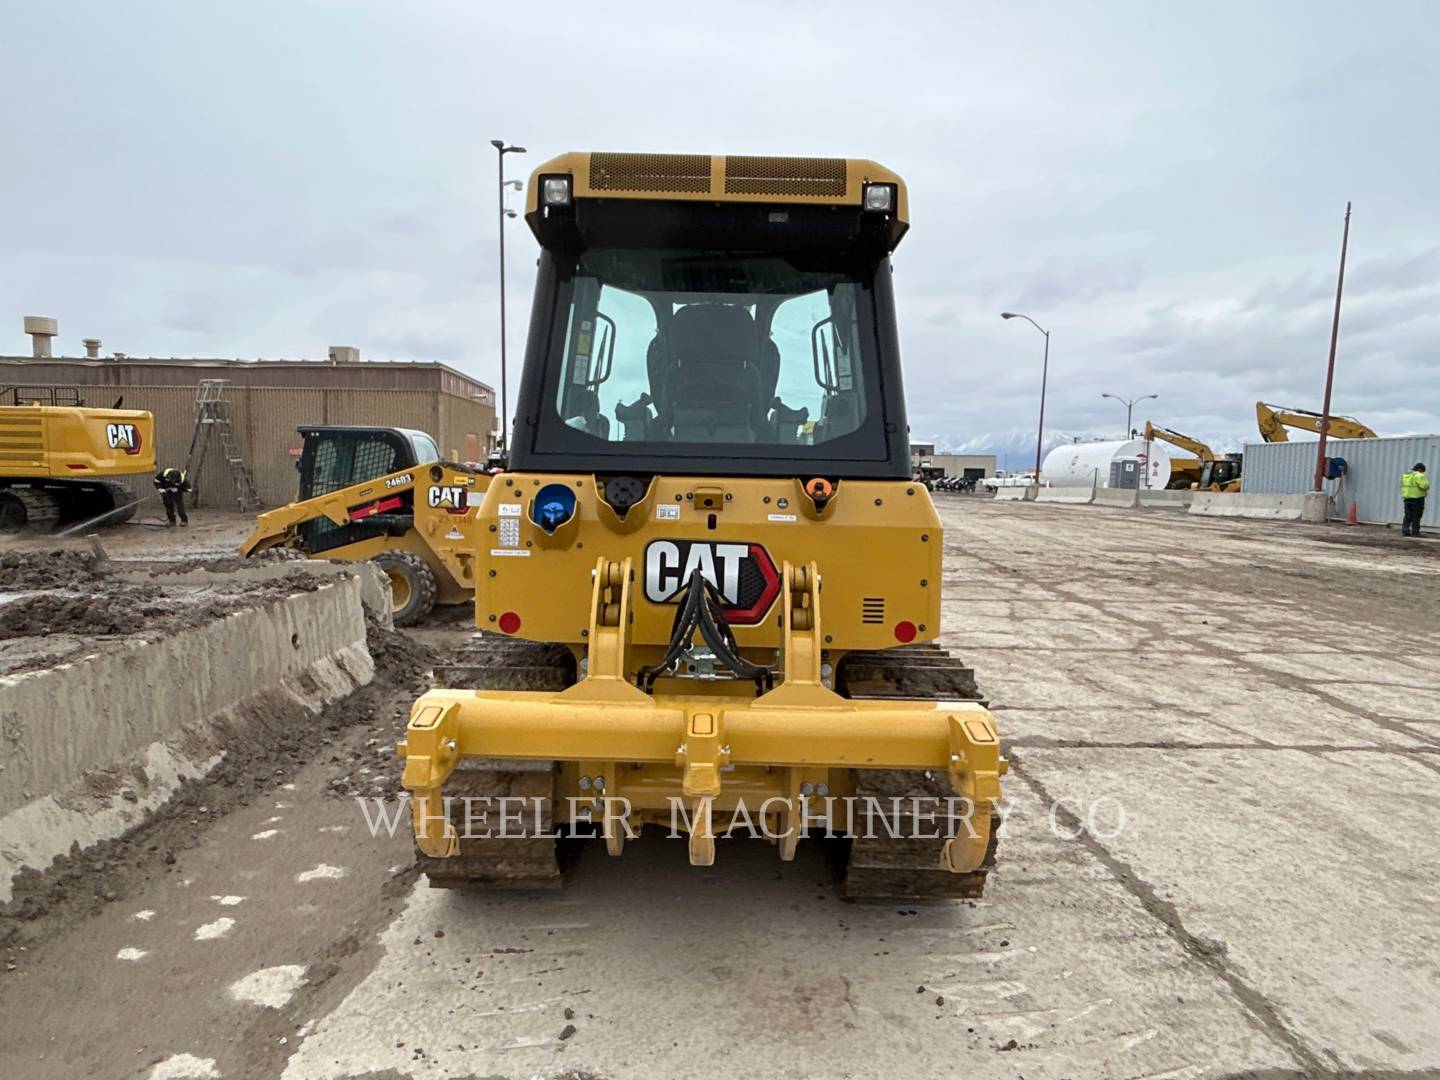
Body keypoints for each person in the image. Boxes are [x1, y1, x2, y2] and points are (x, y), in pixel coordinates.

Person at [1401, 462, 1429, 537]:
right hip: (1417, 499)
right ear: (1420, 469)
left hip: (1407, 498)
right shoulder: (1419, 475)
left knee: (1407, 515)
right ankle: (1415, 532)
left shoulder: (1406, 475)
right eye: (1423, 471)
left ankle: (1405, 531)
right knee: (1416, 516)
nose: (1423, 472)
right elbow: (1425, 486)